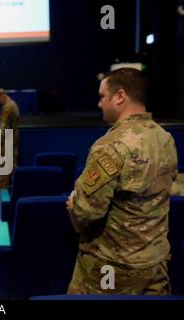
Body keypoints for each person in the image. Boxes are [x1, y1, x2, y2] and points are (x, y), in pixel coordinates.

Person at [66, 68, 178, 295]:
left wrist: (73, 203)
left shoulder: (110, 146)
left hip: (111, 270)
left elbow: (87, 212)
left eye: (102, 96)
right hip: (155, 265)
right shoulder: (165, 138)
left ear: (120, 96)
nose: (99, 104)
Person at [0, 88, 19, 193]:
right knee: (13, 164)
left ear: (1, 97)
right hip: (14, 139)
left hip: (8, 141)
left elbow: (3, 127)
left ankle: (2, 189)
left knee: (4, 165)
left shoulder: (7, 108)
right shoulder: (14, 104)